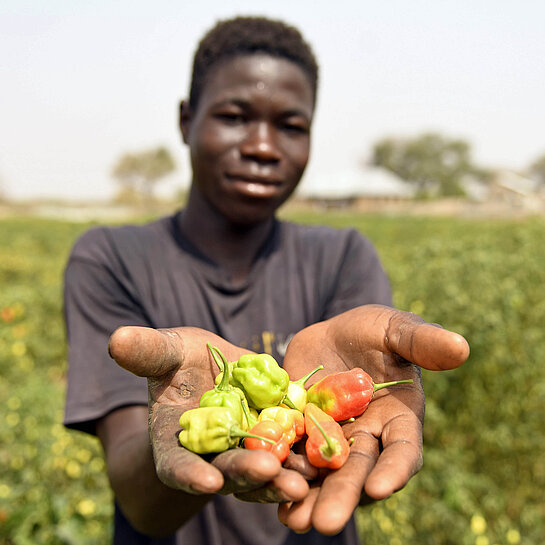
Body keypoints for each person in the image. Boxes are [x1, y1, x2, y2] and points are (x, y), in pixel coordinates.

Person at [63, 16, 469, 545]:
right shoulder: (110, 258)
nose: (262, 146)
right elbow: (141, 501)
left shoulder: (343, 255)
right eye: (234, 116)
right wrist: (197, 432)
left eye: (291, 126)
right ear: (187, 120)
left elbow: (342, 449)